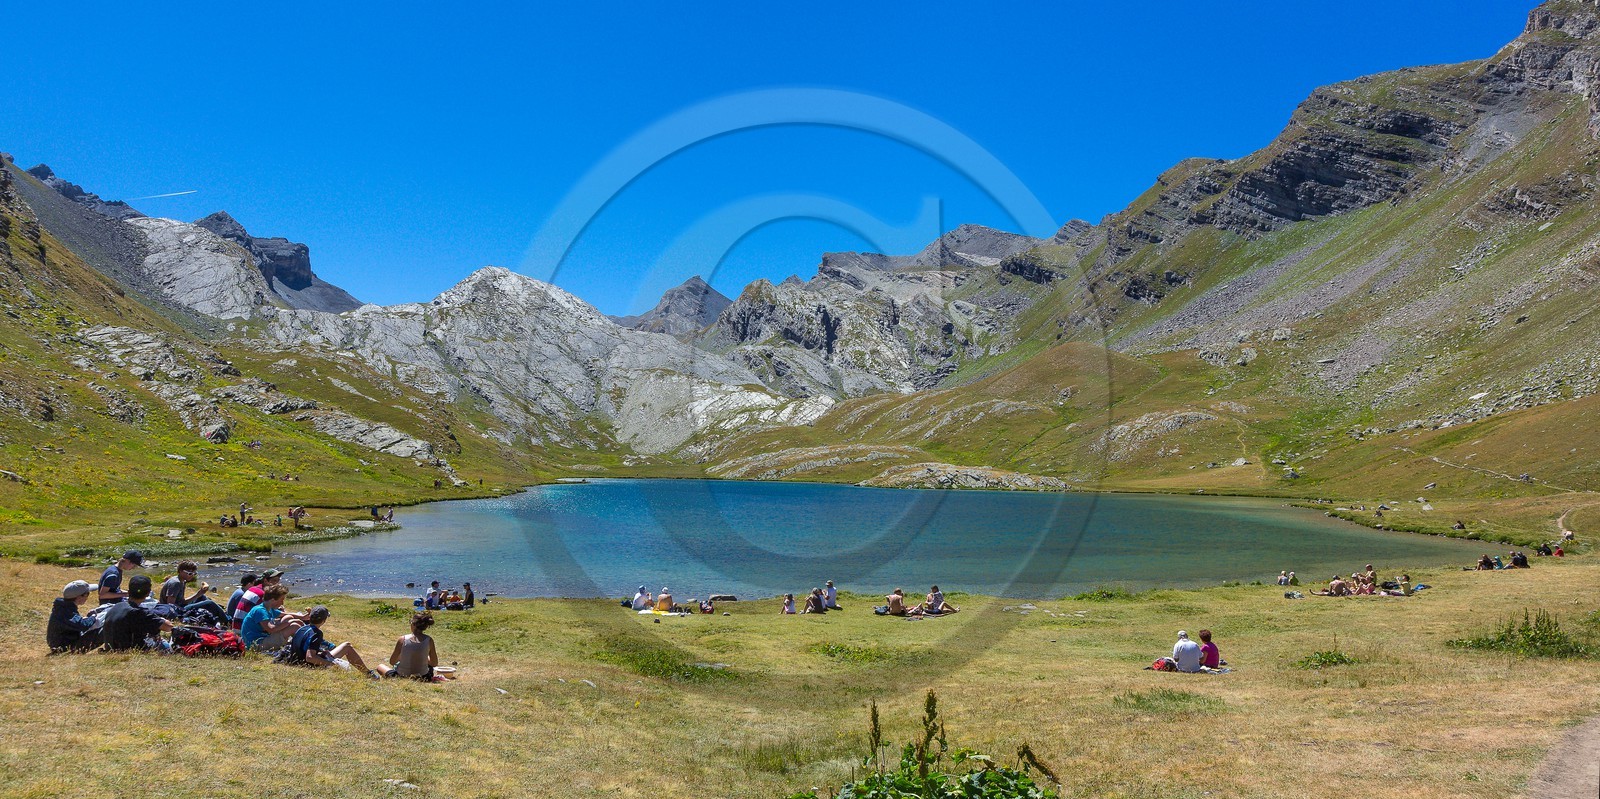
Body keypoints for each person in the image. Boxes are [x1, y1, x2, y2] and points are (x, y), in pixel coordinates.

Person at [287, 606, 375, 675]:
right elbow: (310, 657)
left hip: (295, 661)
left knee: (336, 649)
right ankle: (367, 673)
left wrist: (321, 653)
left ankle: (367, 672)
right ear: (324, 620)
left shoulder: (302, 628)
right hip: (307, 665)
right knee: (347, 646)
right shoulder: (316, 633)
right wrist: (329, 663)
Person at [101, 575, 173, 651]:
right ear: (148, 594)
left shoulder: (116, 606)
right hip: (128, 650)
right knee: (167, 644)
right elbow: (168, 627)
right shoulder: (140, 613)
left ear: (128, 592)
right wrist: (161, 619)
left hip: (110, 648)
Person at [158, 561, 229, 623]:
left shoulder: (182, 581)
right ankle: (228, 620)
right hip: (176, 611)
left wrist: (199, 594)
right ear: (180, 571)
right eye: (189, 573)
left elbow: (182, 601)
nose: (192, 576)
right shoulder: (176, 583)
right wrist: (182, 609)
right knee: (209, 603)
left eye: (194, 573)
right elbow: (170, 604)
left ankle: (222, 613)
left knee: (202, 597)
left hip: (180, 607)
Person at [240, 585, 304, 650]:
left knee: (288, 617)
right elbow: (271, 629)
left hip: (263, 638)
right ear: (273, 600)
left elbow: (286, 614)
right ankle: (304, 647)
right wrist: (290, 622)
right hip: (256, 644)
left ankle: (301, 642)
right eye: (281, 600)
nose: (282, 603)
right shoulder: (260, 611)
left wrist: (303, 617)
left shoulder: (268, 608)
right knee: (294, 626)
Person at [381, 612, 440, 680]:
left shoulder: (402, 639)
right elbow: (434, 663)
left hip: (402, 676)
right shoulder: (429, 640)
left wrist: (403, 656)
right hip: (423, 677)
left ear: (413, 624)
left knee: (380, 666)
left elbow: (392, 662)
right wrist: (424, 656)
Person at [48, 580, 101, 652]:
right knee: (103, 628)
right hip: (65, 647)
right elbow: (83, 625)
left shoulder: (62, 607)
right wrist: (93, 617)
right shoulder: (67, 611)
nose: (87, 597)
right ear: (79, 597)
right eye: (87, 594)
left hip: (61, 644)